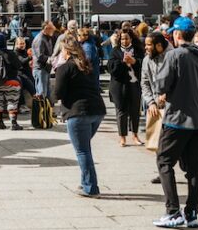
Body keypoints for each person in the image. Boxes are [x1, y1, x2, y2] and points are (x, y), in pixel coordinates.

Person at [152, 28, 198, 229]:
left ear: (178, 36)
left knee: (164, 161)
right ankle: (192, 212)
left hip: (177, 118)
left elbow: (161, 83)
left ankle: (172, 211)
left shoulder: (174, 55)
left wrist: (165, 93)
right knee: (194, 167)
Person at [54, 37, 106, 198]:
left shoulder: (64, 68)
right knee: (85, 149)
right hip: (97, 110)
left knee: (82, 151)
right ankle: (85, 182)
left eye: (62, 50)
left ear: (67, 52)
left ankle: (90, 187)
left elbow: (58, 93)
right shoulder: (86, 66)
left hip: (78, 112)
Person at [141, 31, 169, 184]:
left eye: (149, 45)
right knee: (158, 141)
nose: (146, 48)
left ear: (158, 45)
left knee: (174, 141)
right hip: (155, 107)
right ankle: (163, 171)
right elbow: (144, 83)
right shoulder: (147, 60)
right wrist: (150, 102)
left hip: (173, 106)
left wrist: (168, 94)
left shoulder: (172, 56)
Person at [109, 29, 143, 147]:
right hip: (120, 86)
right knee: (121, 111)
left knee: (135, 111)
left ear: (131, 39)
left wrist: (134, 61)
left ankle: (135, 135)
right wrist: (123, 62)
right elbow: (111, 69)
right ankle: (122, 137)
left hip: (134, 84)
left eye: (127, 38)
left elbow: (144, 64)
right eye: (122, 38)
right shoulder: (115, 51)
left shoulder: (138, 50)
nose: (124, 40)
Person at [0, 33, 23, 130]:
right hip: (10, 82)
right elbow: (19, 66)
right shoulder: (10, 54)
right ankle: (13, 123)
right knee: (12, 100)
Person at [31, 20, 56, 101]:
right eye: (51, 28)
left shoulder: (47, 38)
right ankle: (42, 112)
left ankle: (47, 112)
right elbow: (40, 56)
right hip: (40, 69)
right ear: (46, 29)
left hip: (45, 68)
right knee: (42, 94)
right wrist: (50, 59)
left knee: (46, 93)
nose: (53, 30)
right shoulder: (40, 39)